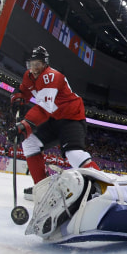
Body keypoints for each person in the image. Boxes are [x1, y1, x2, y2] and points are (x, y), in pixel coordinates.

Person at [7, 46, 99, 200]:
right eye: (31, 64)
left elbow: (44, 108)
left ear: (45, 64)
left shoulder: (51, 76)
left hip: (71, 118)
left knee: (73, 154)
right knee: (29, 142)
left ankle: (102, 187)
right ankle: (43, 187)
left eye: (38, 64)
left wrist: (24, 126)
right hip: (53, 118)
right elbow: (24, 89)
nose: (34, 68)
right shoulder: (28, 76)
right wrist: (17, 97)